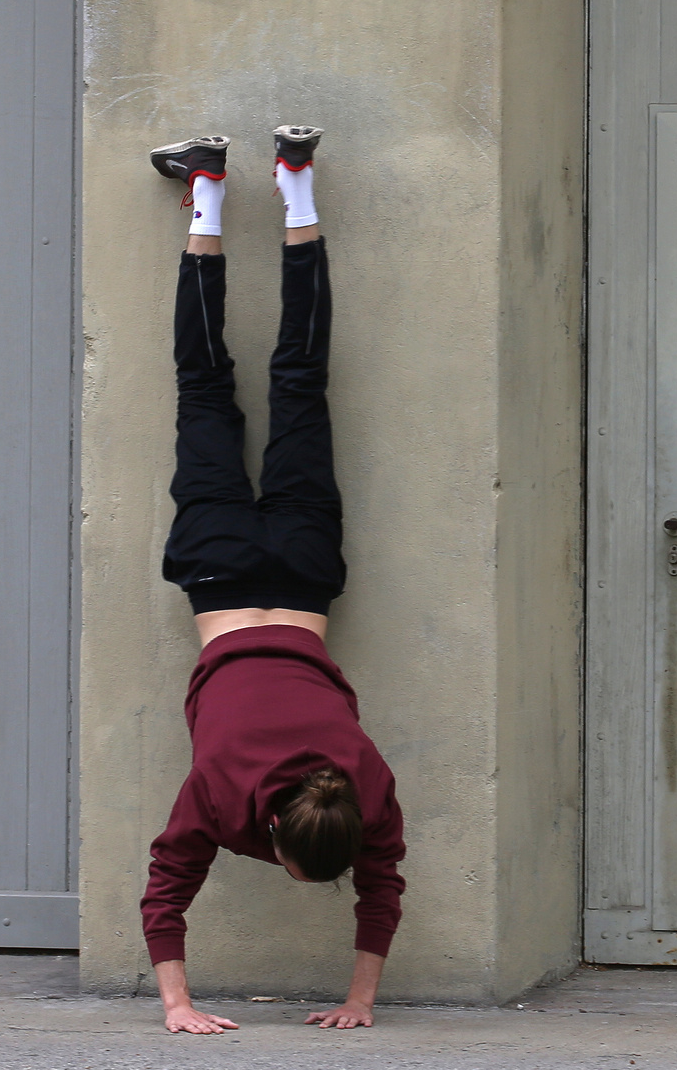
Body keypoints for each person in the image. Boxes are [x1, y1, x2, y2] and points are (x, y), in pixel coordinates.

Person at [138, 127, 406, 1036]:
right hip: (219, 580)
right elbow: (165, 883)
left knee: (300, 384)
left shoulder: (363, 781)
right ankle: (209, 194)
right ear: (281, 839)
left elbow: (379, 883)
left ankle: (295, 184)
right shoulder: (217, 785)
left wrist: (361, 1001)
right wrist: (175, 1007)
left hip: (300, 581)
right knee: (203, 388)